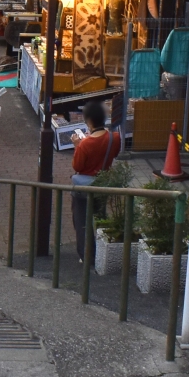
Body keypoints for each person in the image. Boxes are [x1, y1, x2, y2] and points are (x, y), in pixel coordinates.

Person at [70, 100, 121, 265]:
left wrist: (77, 145)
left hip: (84, 188)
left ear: (89, 120)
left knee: (82, 222)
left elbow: (78, 166)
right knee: (100, 218)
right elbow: (113, 154)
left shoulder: (85, 144)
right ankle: (102, 252)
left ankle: (86, 256)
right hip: (103, 183)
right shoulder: (115, 138)